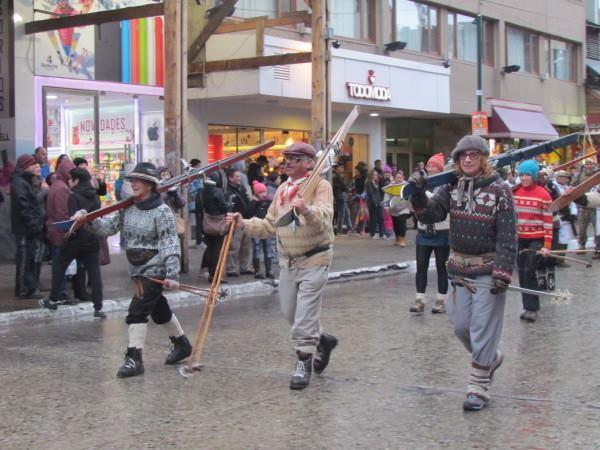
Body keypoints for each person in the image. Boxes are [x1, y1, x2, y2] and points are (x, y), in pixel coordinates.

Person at [408, 135, 517, 411]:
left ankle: (478, 387)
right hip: (459, 268)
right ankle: (490, 358)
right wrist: (419, 193)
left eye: (474, 154)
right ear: (456, 161)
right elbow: (428, 215)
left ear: (483, 159)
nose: (468, 159)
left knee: (482, 327)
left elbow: (507, 234)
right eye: (462, 155)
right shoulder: (450, 186)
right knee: (460, 326)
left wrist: (503, 271)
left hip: (488, 268)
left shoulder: (500, 189)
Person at [227, 142, 338, 390]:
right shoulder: (283, 190)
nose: (286, 162)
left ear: (309, 162)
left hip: (315, 258)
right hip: (288, 261)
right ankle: (323, 340)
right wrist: (242, 223)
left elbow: (324, 219)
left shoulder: (321, 186)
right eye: (286, 158)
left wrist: (307, 210)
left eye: (294, 158)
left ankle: (303, 362)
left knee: (305, 315)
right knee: (291, 313)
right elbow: (269, 226)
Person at [72, 162, 192, 378]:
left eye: (138, 180)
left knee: (137, 310)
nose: (133, 183)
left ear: (149, 184)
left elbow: (169, 243)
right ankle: (181, 343)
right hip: (136, 269)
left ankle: (134, 358)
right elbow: (107, 227)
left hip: (156, 267)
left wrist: (172, 274)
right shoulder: (126, 207)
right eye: (132, 180)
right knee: (158, 308)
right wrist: (86, 221)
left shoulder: (162, 211)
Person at [40, 168, 105, 317]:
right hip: (92, 238)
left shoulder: (74, 196)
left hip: (75, 239)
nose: (69, 181)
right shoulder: (95, 196)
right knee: (94, 272)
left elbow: (73, 219)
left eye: (71, 179)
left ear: (76, 181)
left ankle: (53, 299)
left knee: (59, 266)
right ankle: (98, 307)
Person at [409, 153, 450, 313]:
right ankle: (420, 299)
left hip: (442, 232)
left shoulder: (445, 186)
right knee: (421, 267)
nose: (430, 168)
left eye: (434, 166)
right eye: (429, 166)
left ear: (440, 168)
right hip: (423, 232)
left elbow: (442, 205)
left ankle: (441, 300)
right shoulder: (421, 184)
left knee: (442, 267)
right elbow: (412, 206)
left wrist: (426, 197)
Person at [513, 160, 552, 323]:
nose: (524, 178)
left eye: (527, 174)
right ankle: (526, 306)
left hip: (536, 238)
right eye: (521, 174)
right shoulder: (514, 192)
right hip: (520, 238)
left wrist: (547, 245)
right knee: (522, 272)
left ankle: (532, 309)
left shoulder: (544, 194)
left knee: (529, 270)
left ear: (534, 176)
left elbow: (548, 221)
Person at [11, 155, 45, 300]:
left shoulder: (25, 181)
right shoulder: (19, 182)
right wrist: (33, 223)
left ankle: (28, 287)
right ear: (26, 166)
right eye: (33, 164)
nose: (36, 166)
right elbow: (23, 205)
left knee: (29, 257)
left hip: (28, 227)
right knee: (24, 258)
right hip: (24, 228)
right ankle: (23, 289)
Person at [46, 158, 77, 304]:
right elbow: (62, 213)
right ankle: (60, 294)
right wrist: (68, 230)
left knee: (59, 264)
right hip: (59, 232)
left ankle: (59, 293)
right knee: (60, 265)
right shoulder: (62, 188)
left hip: (53, 230)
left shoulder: (56, 185)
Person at [201, 171, 229, 282]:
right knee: (218, 250)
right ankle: (215, 275)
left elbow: (199, 208)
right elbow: (224, 207)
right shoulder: (218, 191)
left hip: (207, 223)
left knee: (210, 248)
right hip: (218, 223)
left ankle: (209, 272)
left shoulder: (202, 191)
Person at [225, 167, 253, 277]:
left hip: (245, 219)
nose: (239, 178)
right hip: (235, 220)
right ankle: (231, 268)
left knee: (246, 245)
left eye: (239, 176)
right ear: (230, 178)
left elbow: (246, 202)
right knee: (234, 246)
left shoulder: (241, 188)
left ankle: (245, 267)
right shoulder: (228, 191)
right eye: (237, 176)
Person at [249, 180, 275, 279]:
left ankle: (269, 270)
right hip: (256, 228)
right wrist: (254, 202)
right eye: (260, 192)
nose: (263, 194)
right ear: (256, 193)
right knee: (256, 249)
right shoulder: (254, 202)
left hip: (267, 227)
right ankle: (257, 271)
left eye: (264, 191)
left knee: (268, 249)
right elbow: (248, 212)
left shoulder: (269, 201)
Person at [572, 159, 599, 254]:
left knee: (598, 229)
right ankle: (582, 246)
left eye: (590, 163)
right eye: (587, 164)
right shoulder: (578, 175)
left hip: (596, 206)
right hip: (583, 206)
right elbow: (573, 186)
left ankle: (598, 248)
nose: (589, 165)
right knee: (582, 229)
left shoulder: (597, 174)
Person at [553, 170, 577, 253]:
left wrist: (573, 214)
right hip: (556, 215)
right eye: (563, 177)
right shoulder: (553, 187)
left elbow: (572, 203)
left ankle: (560, 259)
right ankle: (552, 259)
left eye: (566, 177)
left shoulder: (568, 188)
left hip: (566, 216)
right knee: (555, 238)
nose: (565, 179)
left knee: (565, 237)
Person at [384, 171, 410, 247]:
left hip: (403, 207)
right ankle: (397, 238)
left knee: (402, 223)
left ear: (403, 177)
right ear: (395, 178)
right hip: (394, 208)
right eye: (397, 177)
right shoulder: (391, 185)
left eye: (400, 177)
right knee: (396, 224)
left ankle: (402, 239)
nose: (399, 179)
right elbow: (386, 196)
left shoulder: (406, 185)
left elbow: (410, 196)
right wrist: (386, 206)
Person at [332, 164, 353, 235]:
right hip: (340, 196)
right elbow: (342, 186)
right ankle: (339, 230)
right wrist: (347, 189)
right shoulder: (336, 177)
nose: (342, 168)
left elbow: (342, 186)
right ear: (337, 168)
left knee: (347, 213)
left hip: (342, 196)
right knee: (342, 214)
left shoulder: (339, 176)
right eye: (341, 167)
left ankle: (350, 228)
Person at [366, 170, 384, 239]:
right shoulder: (369, 183)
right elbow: (371, 193)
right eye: (374, 175)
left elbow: (378, 193)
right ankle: (373, 233)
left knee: (381, 218)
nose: (375, 176)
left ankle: (381, 233)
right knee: (373, 218)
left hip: (379, 202)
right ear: (371, 175)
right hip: (372, 203)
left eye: (376, 175)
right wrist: (374, 202)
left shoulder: (377, 182)